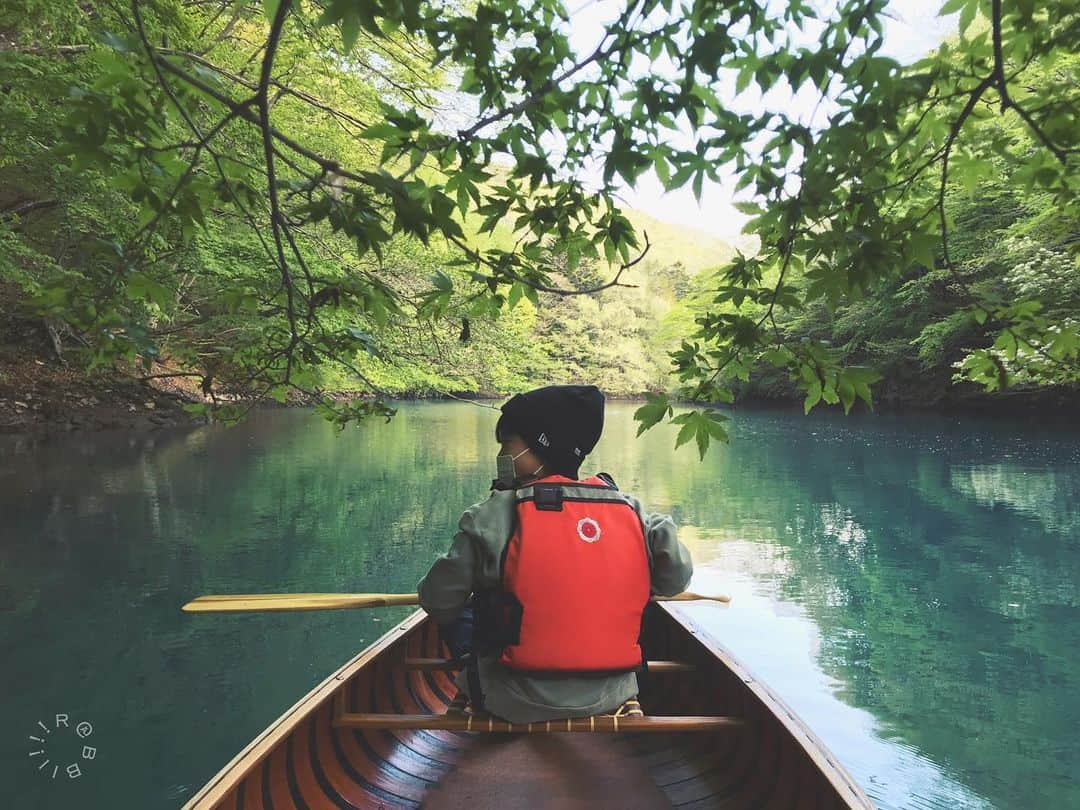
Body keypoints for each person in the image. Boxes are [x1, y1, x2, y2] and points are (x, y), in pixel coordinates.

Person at [417, 384, 693, 724]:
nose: (502, 453)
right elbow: (674, 580)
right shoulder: (634, 512)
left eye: (508, 443)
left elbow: (436, 600)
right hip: (611, 694)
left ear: (540, 447)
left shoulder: (490, 514)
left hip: (510, 698)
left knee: (465, 610)